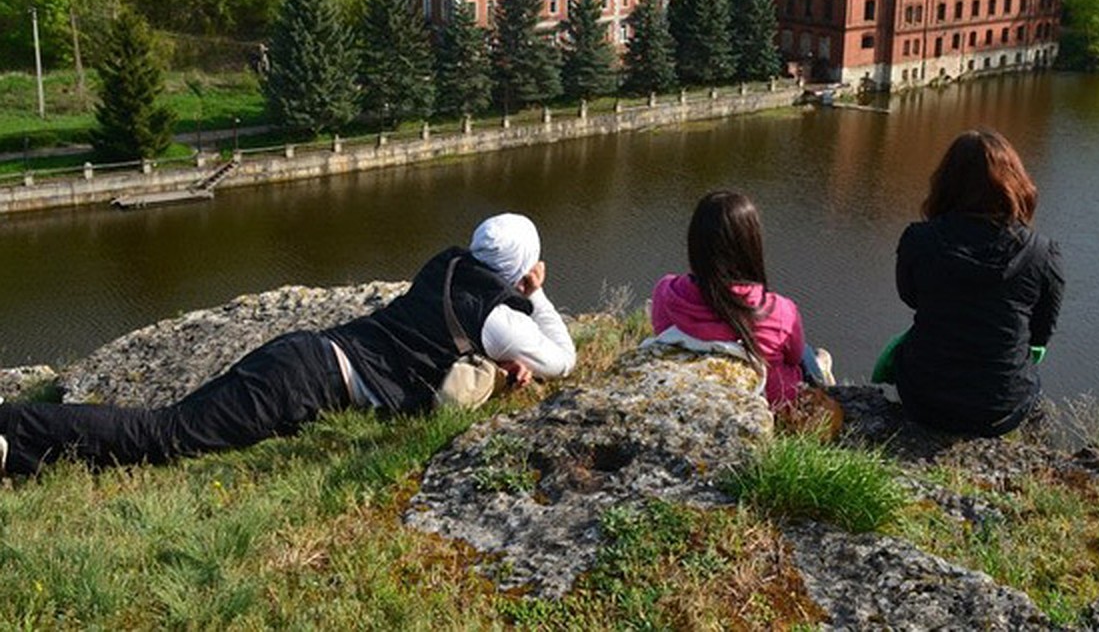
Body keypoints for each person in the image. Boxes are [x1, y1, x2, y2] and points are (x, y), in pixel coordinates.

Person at [0, 213, 575, 477]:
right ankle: (15, 429)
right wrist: (538, 295)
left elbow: (442, 339)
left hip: (308, 355)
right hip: (307, 378)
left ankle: (19, 450)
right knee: (166, 437)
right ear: (522, 269)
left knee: (171, 430)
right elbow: (563, 360)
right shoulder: (497, 315)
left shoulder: (447, 264)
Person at [891, 128, 1064, 437]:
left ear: (946, 182)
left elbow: (910, 297)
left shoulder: (918, 239)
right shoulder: (1042, 252)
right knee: (1031, 381)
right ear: (1016, 183)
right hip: (1001, 411)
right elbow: (1039, 336)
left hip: (923, 401)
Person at [649, 190, 834, 410]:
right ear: (751, 245)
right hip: (772, 402)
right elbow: (793, 359)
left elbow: (662, 332)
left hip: (691, 393)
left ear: (695, 243)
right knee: (804, 352)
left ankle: (821, 363)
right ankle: (823, 373)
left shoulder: (667, 292)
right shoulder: (779, 310)